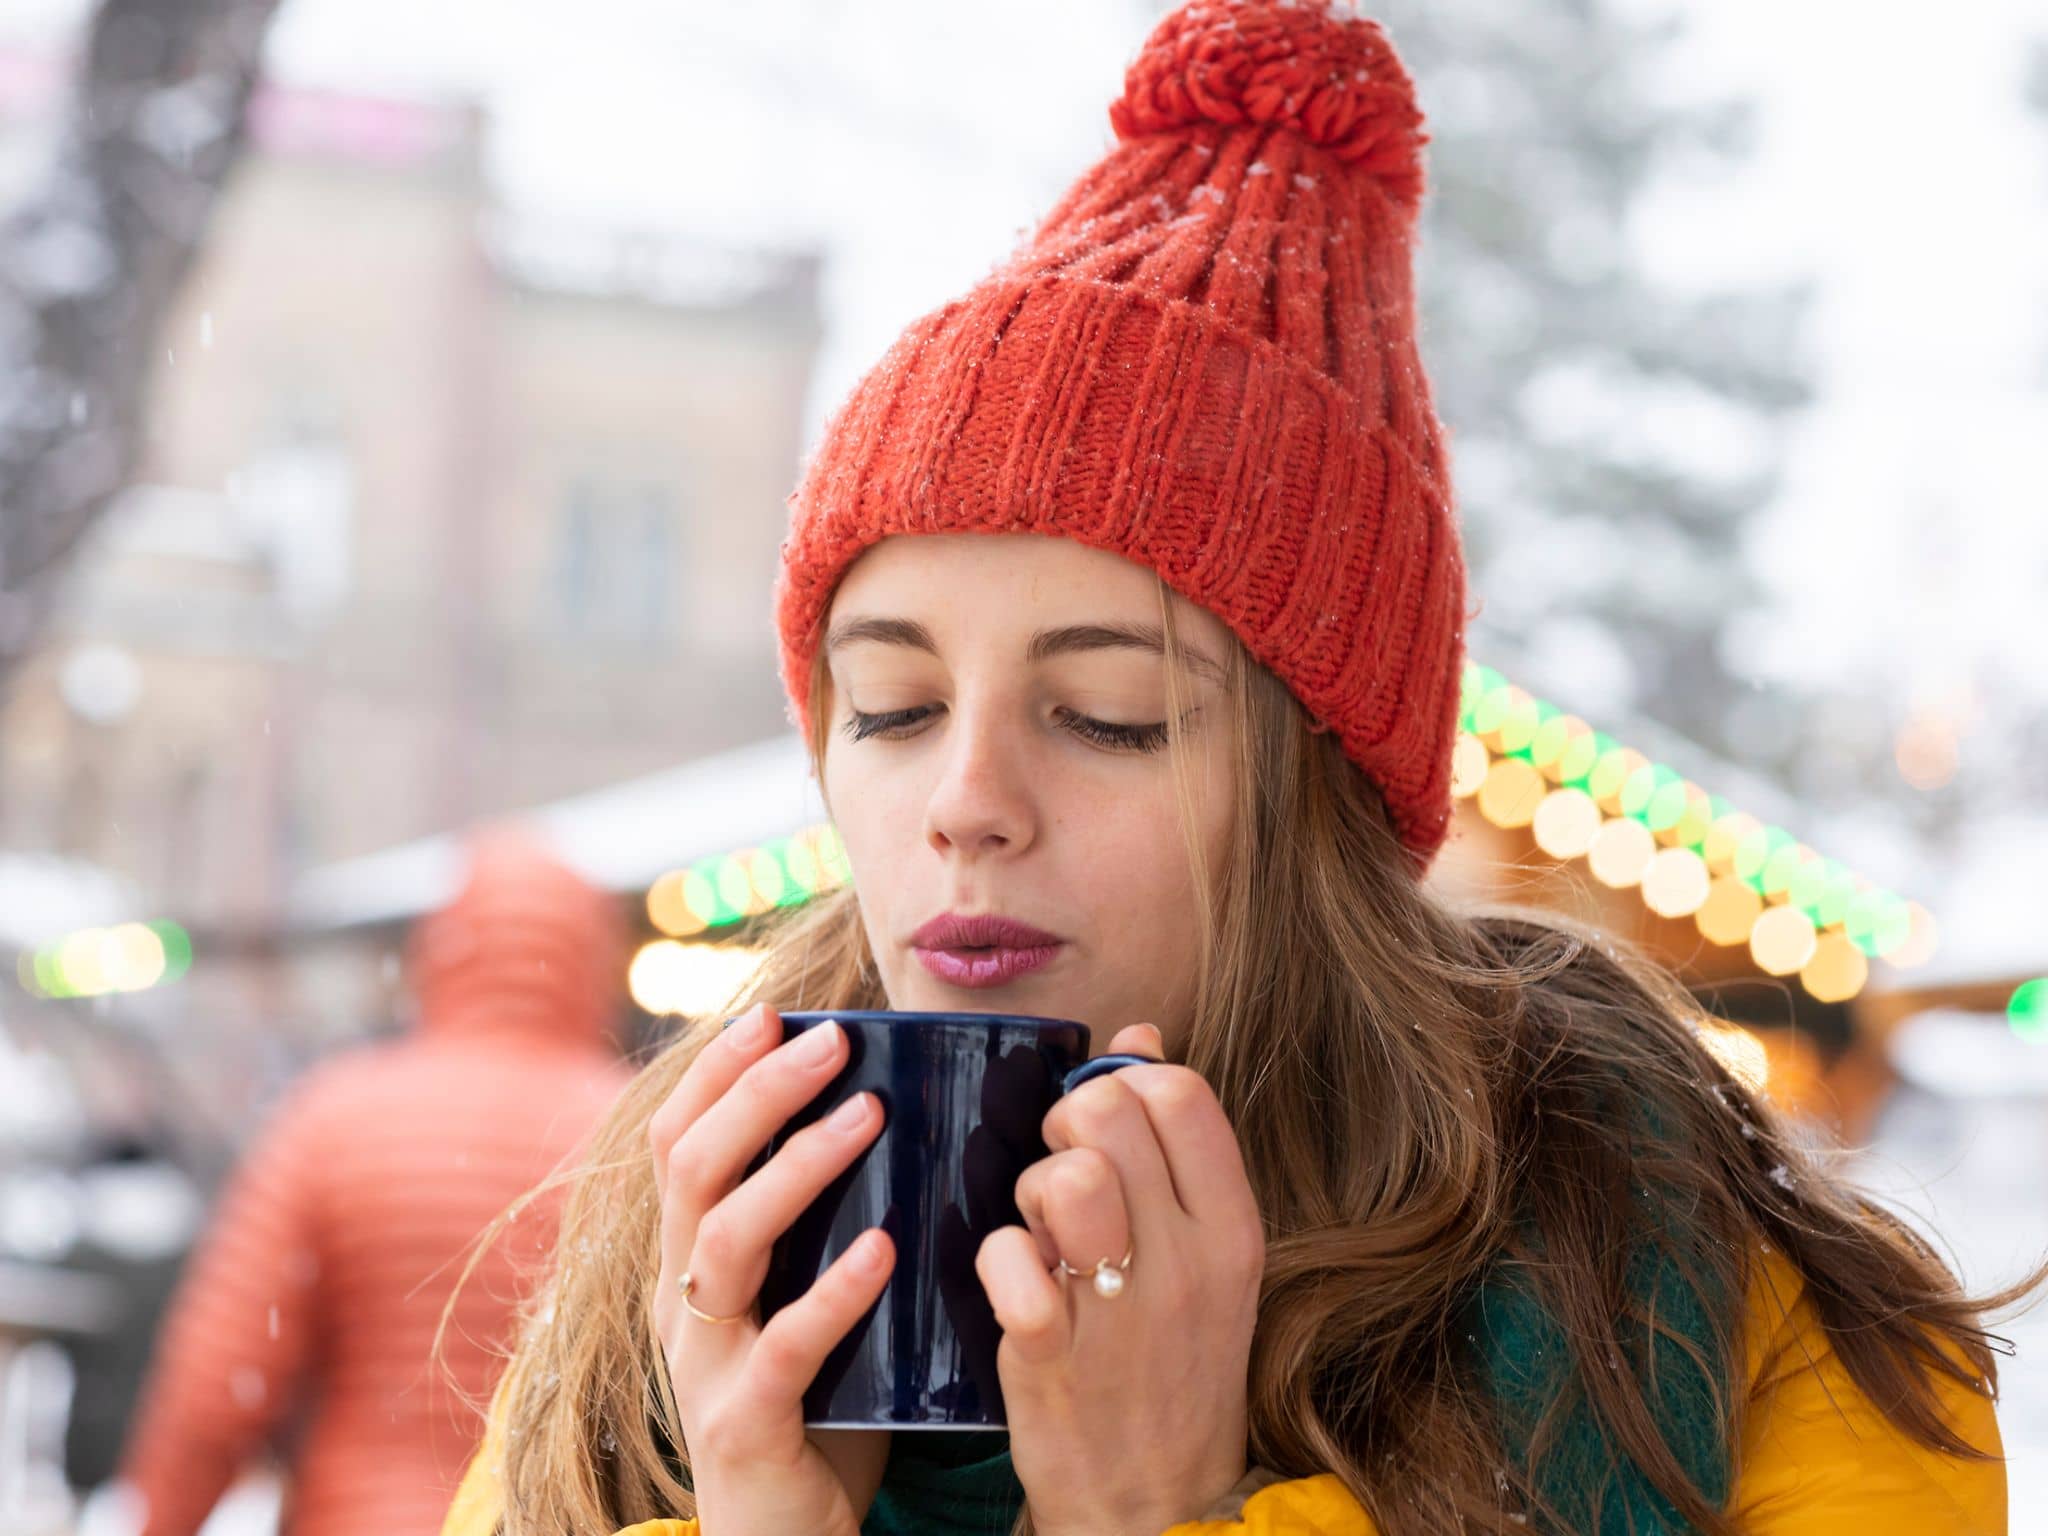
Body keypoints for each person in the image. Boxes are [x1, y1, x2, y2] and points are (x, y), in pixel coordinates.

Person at [442, 5, 2025, 1534]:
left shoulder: (1730, 1320)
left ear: (1322, 791)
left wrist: (1148, 1520)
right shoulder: (647, 1321)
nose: (964, 802)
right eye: (892, 706)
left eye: (1111, 715)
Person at [119, 832, 632, 1536]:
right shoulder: (632, 1138)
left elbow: (217, 1388)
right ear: (593, 962)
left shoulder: (334, 1116)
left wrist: (161, 1523)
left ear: (439, 953)